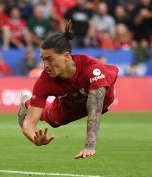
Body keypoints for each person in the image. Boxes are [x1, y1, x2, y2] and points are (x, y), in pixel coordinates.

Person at [17, 21, 119, 159]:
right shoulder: (45, 80)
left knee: (94, 106)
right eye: (43, 60)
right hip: (72, 102)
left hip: (99, 100)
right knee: (55, 121)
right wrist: (34, 138)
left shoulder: (92, 69)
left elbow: (94, 110)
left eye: (50, 59)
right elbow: (28, 124)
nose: (45, 65)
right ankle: (26, 102)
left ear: (66, 56)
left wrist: (90, 145)